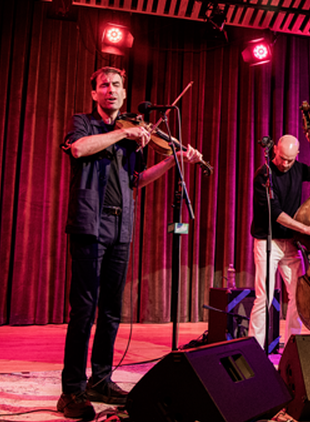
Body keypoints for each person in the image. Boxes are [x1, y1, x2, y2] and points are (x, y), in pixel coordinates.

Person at [58, 66, 203, 420]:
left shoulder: (132, 134)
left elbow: (136, 180)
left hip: (121, 227)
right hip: (90, 224)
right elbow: (78, 150)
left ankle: (101, 379)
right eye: (104, 85)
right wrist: (121, 135)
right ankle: (72, 389)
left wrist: (173, 160)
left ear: (124, 93)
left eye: (117, 85)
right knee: (83, 311)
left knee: (110, 311)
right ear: (94, 93)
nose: (111, 90)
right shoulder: (85, 123)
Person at [248, 132, 310, 350]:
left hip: (291, 243)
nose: (285, 163)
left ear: (297, 155)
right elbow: (275, 212)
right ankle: (254, 349)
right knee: (263, 297)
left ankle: (293, 345)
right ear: (275, 150)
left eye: (290, 159)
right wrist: (306, 229)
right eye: (282, 158)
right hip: (268, 242)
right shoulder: (264, 174)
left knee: (298, 296)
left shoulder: (298, 168)